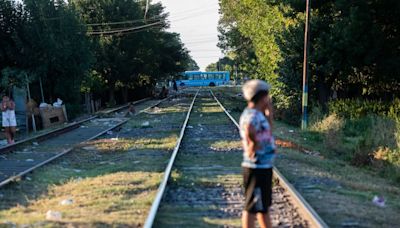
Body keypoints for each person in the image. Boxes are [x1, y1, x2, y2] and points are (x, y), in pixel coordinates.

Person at [239, 79, 276, 228]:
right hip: (256, 167)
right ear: (262, 97)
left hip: (263, 166)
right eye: (267, 96)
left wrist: (269, 112)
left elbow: (269, 130)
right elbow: (249, 128)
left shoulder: (257, 114)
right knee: (252, 206)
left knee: (262, 207)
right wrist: (253, 143)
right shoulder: (252, 116)